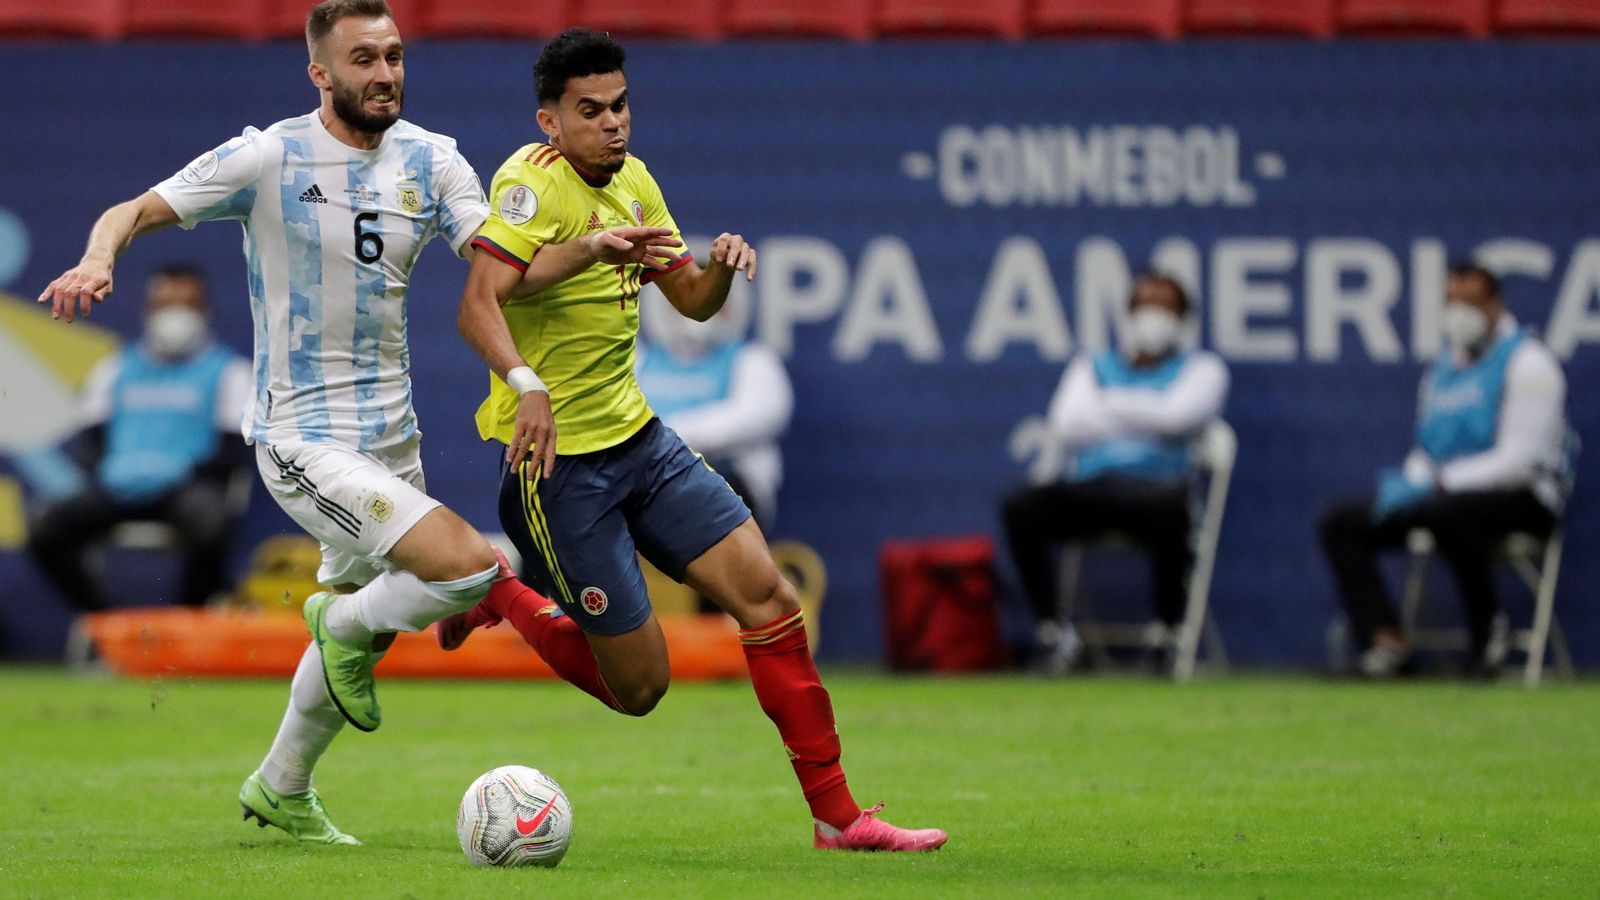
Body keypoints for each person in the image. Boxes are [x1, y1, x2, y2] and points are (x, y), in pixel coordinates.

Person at [36, 0, 677, 847]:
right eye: (365, 59)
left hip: (391, 440)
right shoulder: (267, 155)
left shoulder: (434, 160)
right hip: (303, 437)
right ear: (322, 74)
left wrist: (588, 250)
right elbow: (132, 209)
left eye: (395, 55)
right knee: (460, 567)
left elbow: (506, 273)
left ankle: (281, 785)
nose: (385, 74)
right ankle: (336, 625)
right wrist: (97, 256)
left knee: (369, 629)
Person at [448, 28, 947, 852]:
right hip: (558, 472)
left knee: (769, 599)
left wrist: (718, 265)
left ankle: (839, 818)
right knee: (640, 688)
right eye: (589, 111)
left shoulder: (636, 181)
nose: (612, 125)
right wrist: (533, 373)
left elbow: (690, 301)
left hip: (642, 444)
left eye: (619, 106)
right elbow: (478, 305)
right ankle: (501, 589)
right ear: (551, 123)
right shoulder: (529, 188)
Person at [1320, 263, 1568, 679]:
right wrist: (1414, 479)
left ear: (1494, 305)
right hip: (1443, 496)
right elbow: (1428, 447)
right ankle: (1387, 644)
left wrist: (1440, 483)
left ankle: (1488, 638)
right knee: (1342, 523)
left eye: (1469, 302)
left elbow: (1520, 459)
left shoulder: (1530, 363)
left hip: (1525, 499)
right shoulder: (1443, 369)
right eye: (1450, 302)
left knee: (1446, 512)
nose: (1458, 313)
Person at [1000, 274, 1229, 666]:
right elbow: (1067, 423)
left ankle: (1169, 634)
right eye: (1144, 305)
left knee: (1173, 510)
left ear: (1182, 318)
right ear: (1128, 313)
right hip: (1092, 491)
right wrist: (1149, 409)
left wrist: (1107, 406)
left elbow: (1178, 417)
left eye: (1165, 307)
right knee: (1020, 505)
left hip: (1157, 491)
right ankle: (1057, 634)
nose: (1152, 315)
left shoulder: (1204, 369)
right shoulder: (1092, 365)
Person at [27, 264, 251, 611]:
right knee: (46, 526)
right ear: (149, 309)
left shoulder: (231, 372)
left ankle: (186, 623)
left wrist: (174, 473)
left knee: (211, 524)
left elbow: (231, 451)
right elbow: (92, 442)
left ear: (204, 310)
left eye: (186, 305)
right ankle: (104, 622)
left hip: (186, 488)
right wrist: (123, 474)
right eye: (165, 305)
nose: (175, 315)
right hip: (117, 487)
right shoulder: (115, 368)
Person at [635, 292, 793, 529]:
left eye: (714, 302)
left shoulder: (751, 359)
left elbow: (754, 417)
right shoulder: (638, 361)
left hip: (729, 488)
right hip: (645, 485)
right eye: (684, 302)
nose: (699, 314)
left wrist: (662, 436)